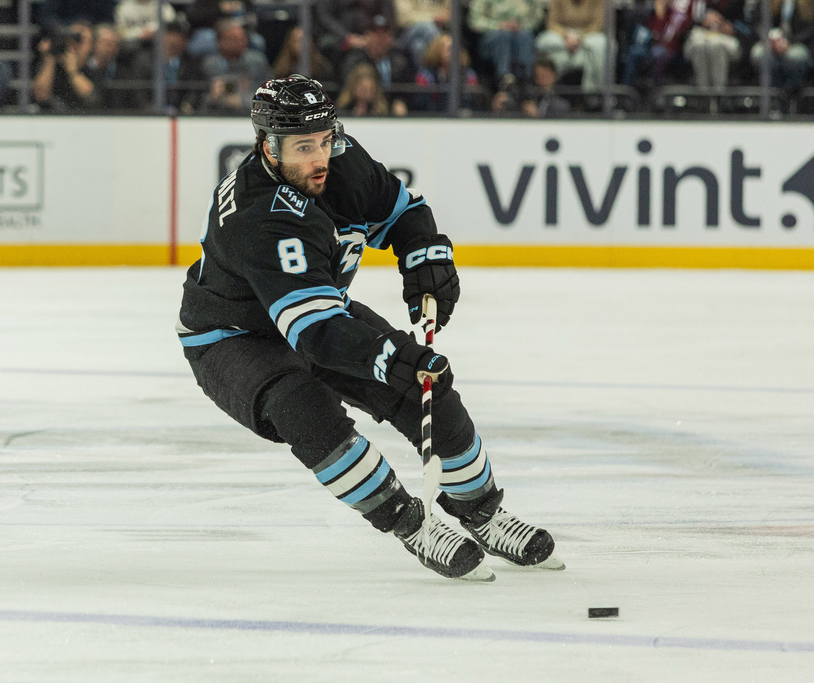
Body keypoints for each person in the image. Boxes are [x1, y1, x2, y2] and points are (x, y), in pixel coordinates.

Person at [176, 74, 561, 580]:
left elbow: (403, 210)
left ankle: (483, 512)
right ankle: (409, 522)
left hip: (319, 309)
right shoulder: (259, 217)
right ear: (267, 147)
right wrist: (389, 358)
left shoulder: (341, 160)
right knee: (304, 408)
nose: (319, 158)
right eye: (302, 147)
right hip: (233, 337)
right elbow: (316, 335)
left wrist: (423, 255)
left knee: (427, 389)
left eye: (325, 140)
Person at [467, 0, 544, 87]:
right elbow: (474, 21)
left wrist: (520, 25)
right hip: (491, 37)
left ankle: (526, 78)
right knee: (503, 35)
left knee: (525, 36)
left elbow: (537, 17)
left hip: (519, 32)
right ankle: (504, 77)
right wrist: (499, 25)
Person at [534, 0, 608, 91]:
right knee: (544, 41)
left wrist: (579, 37)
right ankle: (548, 88)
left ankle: (594, 91)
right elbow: (552, 23)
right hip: (563, 36)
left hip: (588, 35)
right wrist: (566, 35)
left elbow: (597, 24)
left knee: (600, 43)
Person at [749, 0, 814, 92]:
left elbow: (810, 29)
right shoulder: (766, 2)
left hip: (798, 44)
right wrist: (771, 40)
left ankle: (794, 92)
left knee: (796, 57)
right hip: (771, 43)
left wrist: (787, 43)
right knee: (759, 54)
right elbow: (757, 23)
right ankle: (773, 93)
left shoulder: (809, 3)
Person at [683, 0, 751, 93]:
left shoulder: (737, 2)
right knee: (699, 45)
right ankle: (703, 94)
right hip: (702, 35)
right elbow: (684, 24)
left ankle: (718, 94)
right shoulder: (697, 2)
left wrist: (730, 27)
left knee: (715, 45)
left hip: (727, 38)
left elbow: (749, 27)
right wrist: (703, 22)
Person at [33, 22, 99, 110]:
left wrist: (72, 71)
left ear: (91, 46)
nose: (75, 44)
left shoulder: (94, 68)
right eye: (72, 38)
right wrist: (49, 59)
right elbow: (41, 96)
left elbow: (92, 99)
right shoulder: (50, 67)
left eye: (80, 40)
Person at [413, 33, 480, 112]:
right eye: (449, 49)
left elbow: (473, 103)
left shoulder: (469, 74)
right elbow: (422, 104)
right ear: (437, 51)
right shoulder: (426, 75)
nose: (453, 53)